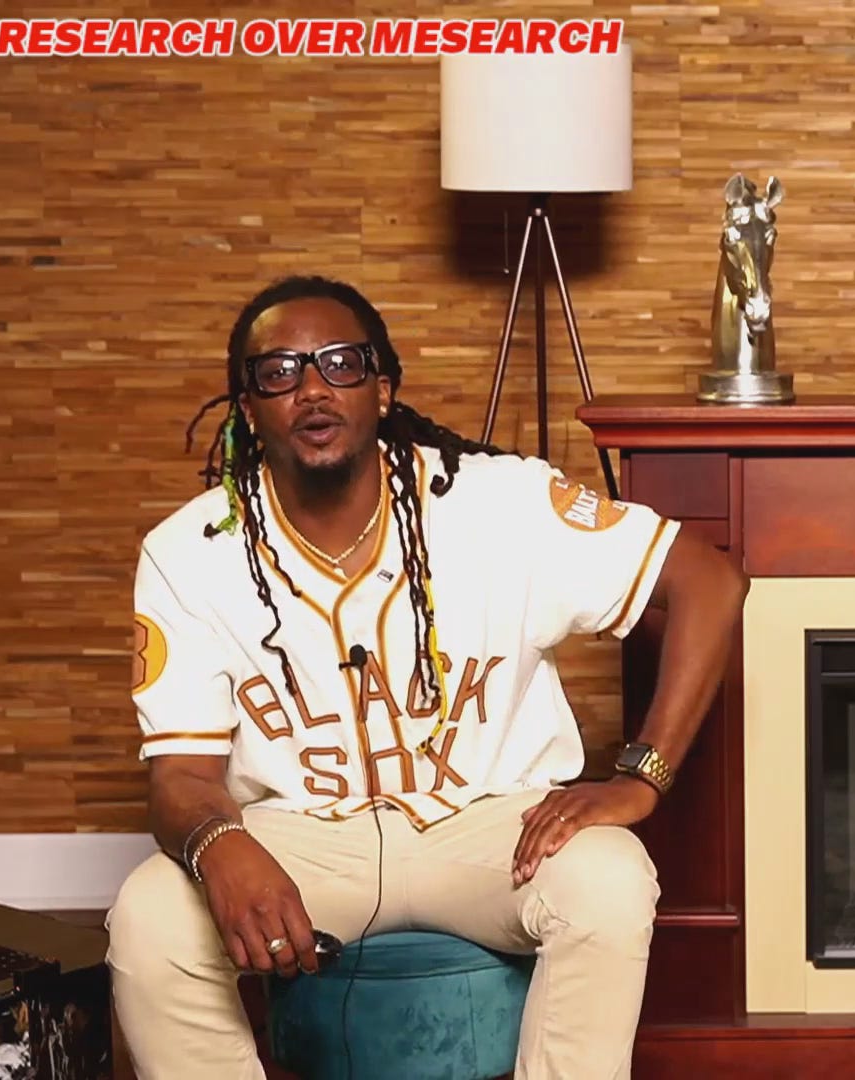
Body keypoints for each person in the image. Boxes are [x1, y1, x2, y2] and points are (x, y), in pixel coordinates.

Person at [104, 275, 749, 1079]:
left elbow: (709, 583)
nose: (312, 388)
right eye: (279, 372)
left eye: (341, 363)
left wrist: (642, 777)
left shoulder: (501, 502)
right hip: (303, 835)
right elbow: (180, 778)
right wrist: (218, 843)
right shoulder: (188, 550)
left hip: (490, 826)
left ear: (382, 388)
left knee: (609, 879)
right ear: (247, 408)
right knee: (150, 917)